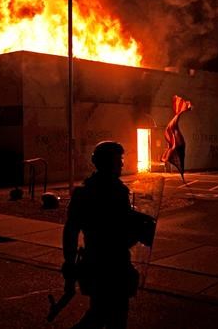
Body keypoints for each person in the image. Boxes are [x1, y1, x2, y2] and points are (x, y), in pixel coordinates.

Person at [62, 141, 141, 329]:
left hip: (95, 262)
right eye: (119, 160)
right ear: (108, 162)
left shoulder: (83, 193)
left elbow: (71, 231)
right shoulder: (118, 192)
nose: (122, 164)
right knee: (108, 317)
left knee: (99, 314)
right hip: (114, 264)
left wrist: (70, 266)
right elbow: (119, 231)